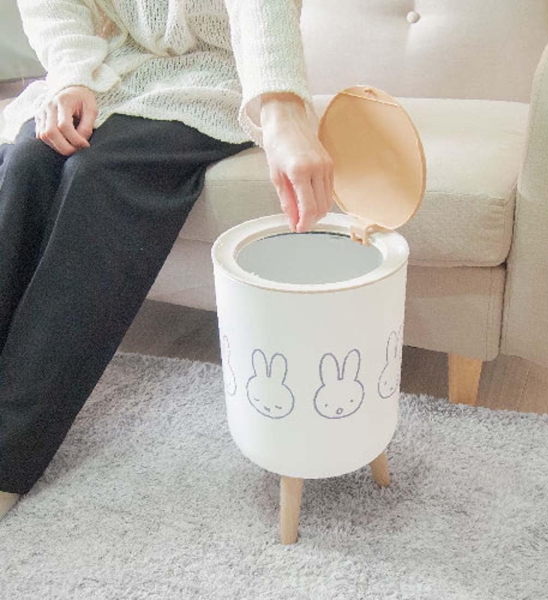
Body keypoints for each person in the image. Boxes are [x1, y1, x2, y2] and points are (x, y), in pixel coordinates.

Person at [0, 0, 334, 521]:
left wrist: (281, 110)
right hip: (112, 66)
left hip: (223, 74)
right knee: (26, 162)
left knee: (98, 172)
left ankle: (9, 454)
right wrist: (70, 76)